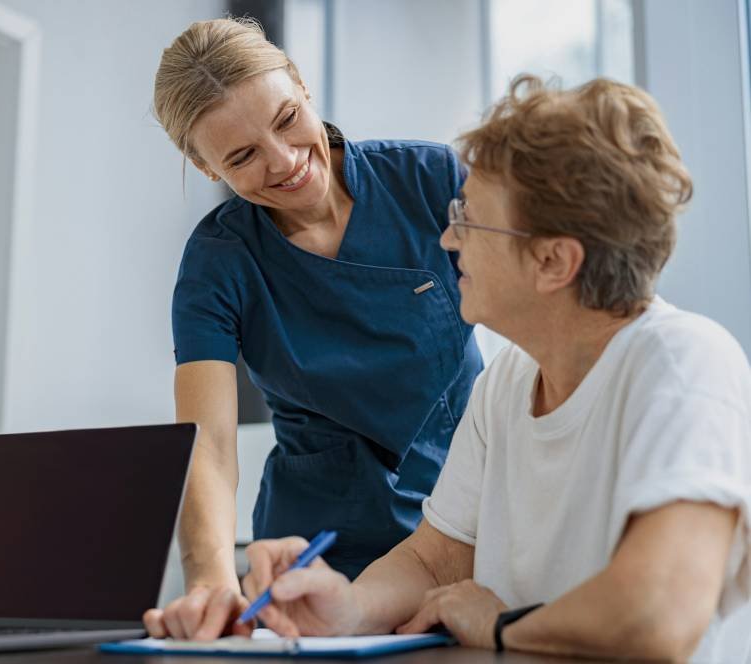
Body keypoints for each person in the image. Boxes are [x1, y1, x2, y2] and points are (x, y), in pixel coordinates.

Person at [240, 75, 751, 662]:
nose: (449, 237)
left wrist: (501, 625)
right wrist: (348, 608)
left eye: (470, 218)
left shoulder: (683, 365)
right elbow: (435, 557)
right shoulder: (508, 383)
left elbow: (659, 616)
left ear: (553, 260)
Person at [142, 18, 483, 639]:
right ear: (205, 165)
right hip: (317, 557)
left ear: (300, 84)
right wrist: (211, 578)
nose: (286, 162)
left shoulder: (430, 181)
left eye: (286, 119)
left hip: (463, 532)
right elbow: (209, 444)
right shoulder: (219, 261)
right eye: (242, 156)